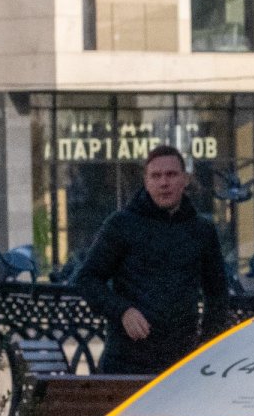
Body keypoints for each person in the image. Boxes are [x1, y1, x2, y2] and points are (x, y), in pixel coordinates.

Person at [75, 145, 233, 375]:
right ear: (146, 181)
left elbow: (217, 293)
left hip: (182, 364)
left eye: (171, 175)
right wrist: (123, 311)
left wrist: (208, 343)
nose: (164, 183)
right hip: (126, 362)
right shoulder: (121, 224)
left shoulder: (202, 231)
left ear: (185, 179)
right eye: (156, 176)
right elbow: (87, 279)